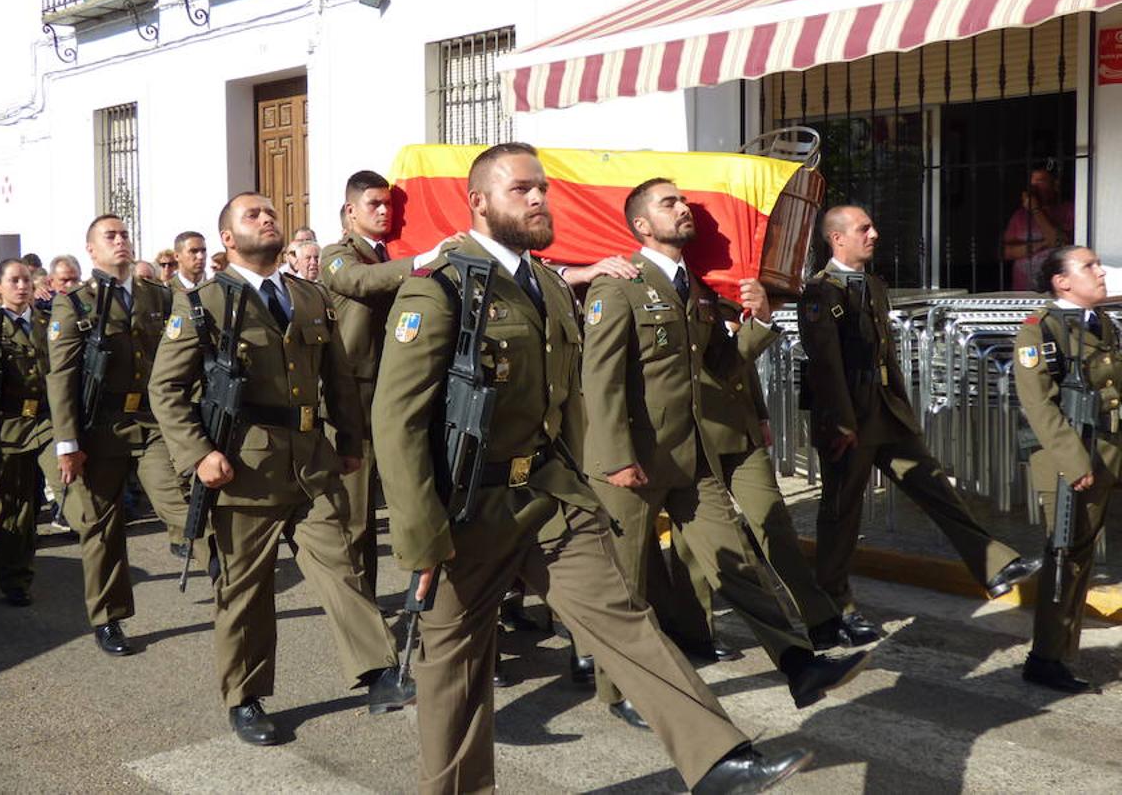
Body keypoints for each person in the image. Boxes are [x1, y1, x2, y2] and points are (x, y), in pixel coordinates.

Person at [372, 143, 813, 795]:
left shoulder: (547, 284)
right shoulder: (439, 286)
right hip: (467, 512)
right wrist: (420, 538)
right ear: (480, 203)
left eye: (543, 189)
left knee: (624, 621)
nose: (539, 200)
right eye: (523, 189)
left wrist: (588, 482)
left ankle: (716, 759)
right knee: (455, 674)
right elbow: (397, 420)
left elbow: (573, 398)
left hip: (548, 496)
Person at [582, 178, 869, 729]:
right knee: (625, 580)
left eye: (683, 201)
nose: (683, 209)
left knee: (735, 562)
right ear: (642, 225)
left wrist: (760, 322)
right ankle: (618, 689)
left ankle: (798, 664)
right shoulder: (618, 288)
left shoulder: (693, 289)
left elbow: (723, 367)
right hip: (632, 466)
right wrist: (617, 456)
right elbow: (602, 382)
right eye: (669, 203)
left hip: (692, 458)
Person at [149, 192, 412, 747]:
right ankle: (245, 698)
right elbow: (166, 390)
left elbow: (338, 377)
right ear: (228, 238)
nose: (267, 219)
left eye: (271, 213)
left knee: (340, 564)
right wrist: (199, 453)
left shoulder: (309, 296)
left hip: (312, 460)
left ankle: (379, 671)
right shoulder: (205, 304)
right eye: (252, 215)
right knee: (246, 589)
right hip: (244, 466)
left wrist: (351, 440)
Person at [797, 205, 1041, 629]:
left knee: (934, 487)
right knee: (842, 514)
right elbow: (825, 365)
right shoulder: (821, 291)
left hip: (885, 414)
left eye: (872, 225)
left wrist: (902, 410)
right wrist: (840, 422)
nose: (874, 234)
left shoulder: (871, 284)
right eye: (863, 228)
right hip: (847, 420)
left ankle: (994, 565)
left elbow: (886, 355)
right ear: (837, 239)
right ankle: (833, 607)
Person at [46, 215, 185, 656]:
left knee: (179, 500)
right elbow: (62, 376)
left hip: (150, 421)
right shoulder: (76, 304)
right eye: (110, 236)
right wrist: (67, 444)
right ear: (91, 249)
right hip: (100, 427)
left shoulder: (159, 295)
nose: (121, 241)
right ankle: (109, 617)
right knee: (103, 528)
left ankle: (226, 582)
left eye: (124, 234)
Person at [316, 170, 456, 597]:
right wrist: (422, 260)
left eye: (388, 204)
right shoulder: (338, 254)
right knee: (356, 521)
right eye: (374, 204)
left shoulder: (389, 253)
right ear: (350, 210)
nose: (384, 211)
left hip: (397, 396)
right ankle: (366, 615)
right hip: (353, 405)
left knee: (413, 505)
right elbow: (358, 282)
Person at [1013, 245, 1117, 693]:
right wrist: (1074, 462)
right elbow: (1038, 404)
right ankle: (1046, 656)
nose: (1100, 272)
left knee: (1082, 555)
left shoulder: (1103, 323)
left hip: (1107, 454)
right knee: (1065, 558)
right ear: (1062, 281)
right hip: (1068, 461)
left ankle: (1059, 652)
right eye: (1089, 266)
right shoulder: (1041, 329)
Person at [0, 259, 58, 605]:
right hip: (10, 427)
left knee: (70, 489)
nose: (22, 286)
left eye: (26, 280)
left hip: (49, 423)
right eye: (14, 281)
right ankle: (15, 580)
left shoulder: (49, 324)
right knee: (14, 505)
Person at [1001, 166, 1073, 292]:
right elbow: (1006, 252)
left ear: (1055, 184)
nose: (1034, 186)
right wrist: (1044, 243)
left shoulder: (1069, 210)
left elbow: (1062, 244)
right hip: (1023, 291)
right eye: (1032, 181)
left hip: (1058, 291)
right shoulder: (1020, 216)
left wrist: (1035, 210)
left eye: (1040, 181)